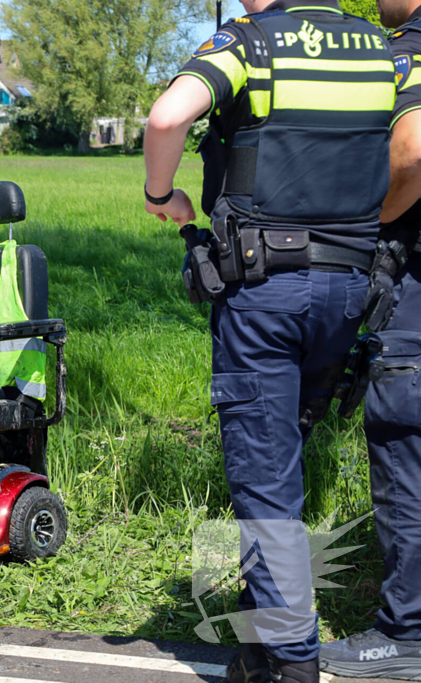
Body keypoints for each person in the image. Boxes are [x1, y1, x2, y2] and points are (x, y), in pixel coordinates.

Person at [143, 0, 395, 679]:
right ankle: (261, 641)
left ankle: (290, 660)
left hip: (265, 292)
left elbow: (168, 116)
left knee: (265, 478)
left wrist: (160, 192)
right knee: (281, 459)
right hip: (349, 293)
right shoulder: (379, 46)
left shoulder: (251, 44)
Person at [318, 0, 421, 677]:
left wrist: (363, 222)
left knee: (403, 444)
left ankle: (405, 633)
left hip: (414, 290)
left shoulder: (409, 49)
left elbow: (412, 148)